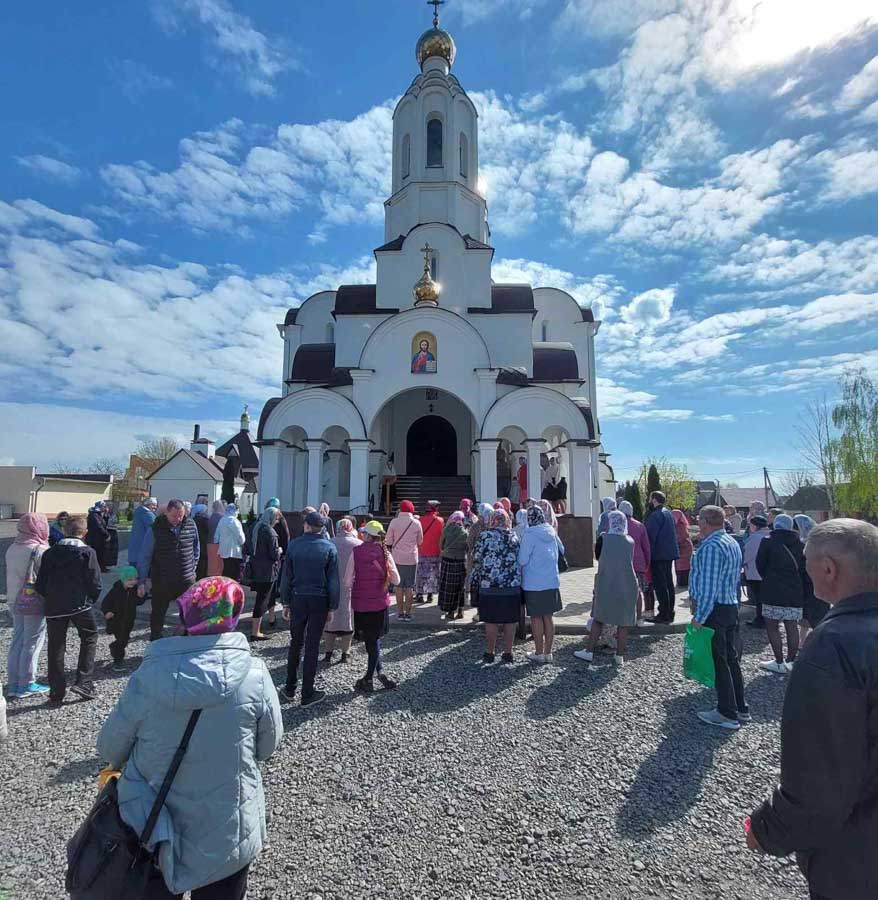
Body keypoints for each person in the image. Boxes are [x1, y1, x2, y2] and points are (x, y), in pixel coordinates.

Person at [97, 576, 283, 900]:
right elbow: (267, 747)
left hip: (154, 823)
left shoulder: (148, 675)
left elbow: (110, 748)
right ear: (233, 614)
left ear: (186, 613)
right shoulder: (255, 675)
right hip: (229, 823)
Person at [747, 519, 878, 899]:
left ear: (828, 569)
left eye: (806, 561)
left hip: (858, 860)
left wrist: (766, 829)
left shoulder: (833, 645)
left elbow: (820, 778)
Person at [686, 505, 748, 730]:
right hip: (729, 605)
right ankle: (740, 706)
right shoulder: (731, 542)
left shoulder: (712, 546)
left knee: (720, 660)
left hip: (715, 609)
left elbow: (709, 586)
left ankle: (726, 712)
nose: (697, 522)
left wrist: (700, 616)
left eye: (699, 518)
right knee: (730, 658)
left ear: (705, 521)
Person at [34, 515, 102, 702]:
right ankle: (84, 682)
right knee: (89, 637)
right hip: (79, 604)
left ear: (64, 530)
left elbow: (41, 583)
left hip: (54, 605)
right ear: (85, 533)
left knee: (56, 645)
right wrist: (90, 600)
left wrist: (50, 597)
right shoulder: (87, 552)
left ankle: (56, 690)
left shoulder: (49, 553)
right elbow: (95, 583)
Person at [280, 510, 339, 707]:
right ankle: (307, 692)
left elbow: (286, 577)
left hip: (298, 597)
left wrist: (285, 602)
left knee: (295, 642)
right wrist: (333, 605)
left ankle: (289, 688)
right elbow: (333, 581)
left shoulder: (294, 546)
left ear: (306, 525)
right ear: (321, 528)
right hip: (319, 599)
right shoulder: (329, 548)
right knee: (313, 645)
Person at [575, 510, 637, 666]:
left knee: (599, 617)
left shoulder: (603, 538)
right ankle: (619, 656)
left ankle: (589, 651)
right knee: (623, 622)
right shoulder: (630, 541)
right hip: (627, 584)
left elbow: (598, 556)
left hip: (607, 582)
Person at [344, 520, 400, 692]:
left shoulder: (356, 552)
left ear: (367, 535)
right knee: (374, 640)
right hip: (380, 603)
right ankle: (378, 672)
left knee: (371, 640)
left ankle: (369, 677)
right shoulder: (385, 554)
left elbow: (347, 582)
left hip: (361, 603)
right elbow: (397, 580)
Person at [137, 499, 200, 641]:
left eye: (181, 515)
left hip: (186, 579)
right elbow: (145, 555)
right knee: (158, 612)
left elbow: (196, 548)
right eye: (174, 516)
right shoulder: (155, 528)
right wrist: (142, 581)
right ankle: (155, 640)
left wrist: (192, 567)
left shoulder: (191, 524)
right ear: (166, 513)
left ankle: (187, 639)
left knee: (189, 611)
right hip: (162, 579)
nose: (178, 519)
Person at [5, 513, 51, 698]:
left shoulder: (13, 547)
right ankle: (27, 682)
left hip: (14, 599)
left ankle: (14, 682)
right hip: (33, 601)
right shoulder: (40, 549)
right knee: (32, 641)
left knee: (18, 639)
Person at [755, 514, 804, 674]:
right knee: (792, 626)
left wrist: (769, 578)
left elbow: (759, 565)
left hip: (772, 590)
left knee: (772, 626)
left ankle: (778, 661)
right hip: (794, 591)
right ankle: (791, 661)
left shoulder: (768, 541)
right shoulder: (800, 544)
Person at [472, 509, 521, 664]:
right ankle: (508, 652)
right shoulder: (513, 536)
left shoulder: (485, 536)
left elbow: (477, 557)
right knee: (510, 620)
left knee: (491, 620)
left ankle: (490, 652)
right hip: (511, 585)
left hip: (489, 585)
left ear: (492, 520)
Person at [518, 505, 564, 664]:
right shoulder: (551, 531)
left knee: (536, 618)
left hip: (534, 583)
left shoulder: (529, 535)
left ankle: (538, 652)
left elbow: (522, 560)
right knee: (548, 617)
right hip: (551, 580)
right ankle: (548, 652)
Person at [324, 518, 361, 665]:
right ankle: (345, 653)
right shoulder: (358, 544)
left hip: (331, 586)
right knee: (348, 618)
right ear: (351, 528)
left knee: (330, 619)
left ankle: (328, 652)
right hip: (350, 586)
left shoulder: (329, 543)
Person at [793, 514, 829, 645]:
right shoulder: (821, 542)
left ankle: (820, 643)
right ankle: (803, 643)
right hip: (816, 584)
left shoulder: (808, 545)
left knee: (815, 617)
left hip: (811, 585)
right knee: (806, 618)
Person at [247, 508, 282, 642]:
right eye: (277, 519)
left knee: (260, 599)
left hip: (255, 568)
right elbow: (274, 555)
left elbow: (248, 547)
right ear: (272, 518)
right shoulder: (270, 532)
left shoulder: (255, 527)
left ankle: (256, 629)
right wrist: (279, 550)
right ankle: (256, 632)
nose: (277, 521)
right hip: (267, 571)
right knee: (262, 601)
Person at [645, 491, 680, 624]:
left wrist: (647, 555)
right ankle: (670, 612)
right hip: (669, 554)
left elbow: (650, 537)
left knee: (660, 585)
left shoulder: (655, 515)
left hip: (658, 555)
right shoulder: (668, 513)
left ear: (654, 500)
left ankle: (664, 613)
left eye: (650, 499)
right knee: (669, 584)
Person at [385, 500, 423, 621]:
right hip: (412, 558)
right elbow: (420, 541)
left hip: (397, 558)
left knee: (399, 586)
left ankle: (400, 613)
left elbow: (389, 542)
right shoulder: (416, 523)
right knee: (409, 586)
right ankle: (409, 613)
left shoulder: (394, 522)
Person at [100, 565, 140, 672]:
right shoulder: (115, 590)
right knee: (121, 640)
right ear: (123, 580)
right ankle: (118, 661)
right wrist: (107, 612)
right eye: (129, 580)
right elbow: (105, 603)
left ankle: (115, 647)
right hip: (116, 620)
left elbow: (138, 601)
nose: (133, 582)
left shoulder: (133, 590)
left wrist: (142, 595)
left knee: (124, 639)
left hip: (128, 620)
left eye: (135, 579)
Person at [618, 500, 650, 624]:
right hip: (638, 563)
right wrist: (647, 562)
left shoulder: (617, 525)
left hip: (622, 564)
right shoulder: (640, 526)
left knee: (621, 592)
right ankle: (639, 618)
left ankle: (623, 618)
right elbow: (646, 547)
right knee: (638, 592)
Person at [438, 511, 469, 621]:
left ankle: (450, 611)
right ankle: (460, 611)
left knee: (449, 587)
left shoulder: (446, 530)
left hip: (448, 560)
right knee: (460, 586)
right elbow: (467, 548)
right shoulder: (465, 533)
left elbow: (441, 545)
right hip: (460, 561)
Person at [743, 514, 770, 629]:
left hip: (755, 572)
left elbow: (747, 555)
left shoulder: (755, 538)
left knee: (759, 598)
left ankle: (760, 620)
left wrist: (742, 562)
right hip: (767, 572)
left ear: (754, 525)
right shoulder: (769, 535)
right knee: (764, 598)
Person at [465, 503, 494, 611]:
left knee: (476, 582)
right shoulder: (493, 526)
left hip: (477, 559)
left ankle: (478, 608)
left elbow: (469, 542)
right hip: (490, 560)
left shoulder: (475, 526)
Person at [414, 500, 443, 603]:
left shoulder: (420, 520)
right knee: (433, 574)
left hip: (422, 550)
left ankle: (419, 594)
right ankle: (430, 595)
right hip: (435, 551)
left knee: (421, 573)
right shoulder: (440, 521)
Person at [215, 504, 245, 580]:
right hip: (233, 551)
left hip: (223, 550)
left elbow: (216, 537)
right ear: (234, 511)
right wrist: (242, 542)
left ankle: (224, 589)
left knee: (226, 572)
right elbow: (241, 537)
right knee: (234, 574)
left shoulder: (222, 520)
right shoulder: (234, 521)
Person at [128, 498, 157, 572]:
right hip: (142, 548)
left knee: (133, 570)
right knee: (141, 572)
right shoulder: (148, 514)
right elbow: (156, 529)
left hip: (134, 548)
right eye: (153, 505)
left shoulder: (138, 512)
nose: (155, 507)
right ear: (148, 504)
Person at [86, 500, 111, 572]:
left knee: (102, 553)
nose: (105, 508)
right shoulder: (94, 515)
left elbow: (104, 524)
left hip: (99, 538)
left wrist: (106, 515)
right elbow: (99, 527)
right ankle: (98, 568)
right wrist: (106, 535)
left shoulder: (99, 514)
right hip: (95, 538)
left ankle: (102, 567)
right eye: (104, 506)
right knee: (98, 554)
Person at [672, 508, 693, 588]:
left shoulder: (681, 525)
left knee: (685, 565)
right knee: (679, 565)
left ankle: (684, 582)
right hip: (679, 547)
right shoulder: (674, 525)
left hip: (685, 546)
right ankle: (681, 581)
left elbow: (683, 536)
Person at [190, 502, 210, 580]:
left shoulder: (193, 519)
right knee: (203, 565)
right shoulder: (206, 520)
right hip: (204, 544)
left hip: (195, 544)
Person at [206, 499, 225, 576]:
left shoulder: (209, 517)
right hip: (219, 544)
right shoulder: (222, 518)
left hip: (209, 543)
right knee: (219, 566)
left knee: (211, 565)